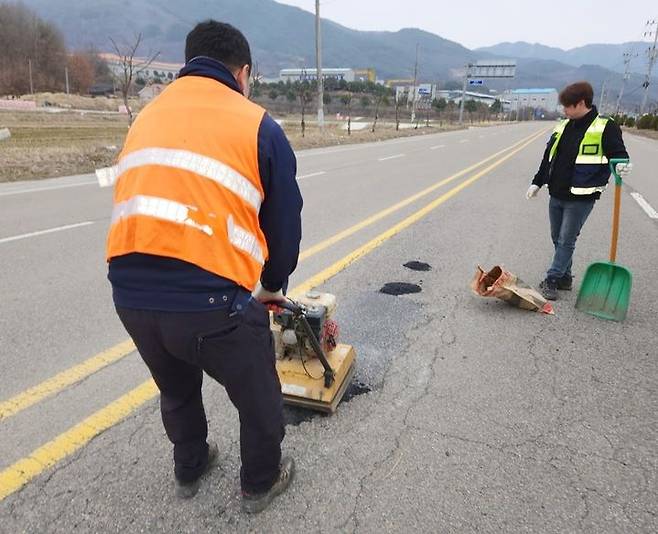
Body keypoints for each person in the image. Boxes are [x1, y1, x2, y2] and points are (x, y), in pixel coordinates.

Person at [103, 20, 303, 513]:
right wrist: (273, 286)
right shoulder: (258, 124)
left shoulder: (146, 117)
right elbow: (285, 223)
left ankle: (190, 467)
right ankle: (261, 482)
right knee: (258, 394)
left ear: (190, 63)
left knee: (175, 387)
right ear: (243, 72)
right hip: (212, 305)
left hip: (130, 295)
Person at [526, 81, 631, 301]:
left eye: (567, 106)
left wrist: (622, 164)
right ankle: (565, 277)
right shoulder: (564, 126)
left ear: (581, 103)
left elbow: (618, 154)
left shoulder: (605, 126)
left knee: (566, 239)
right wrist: (537, 182)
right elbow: (548, 157)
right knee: (557, 237)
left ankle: (552, 279)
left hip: (582, 196)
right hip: (557, 192)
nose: (564, 110)